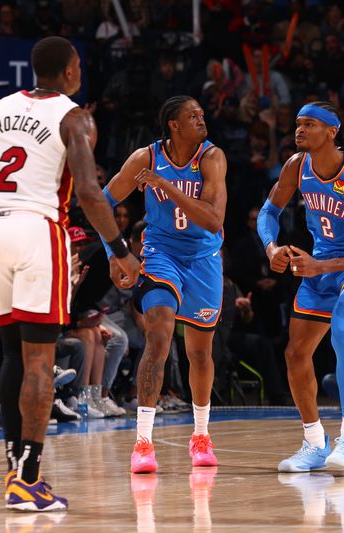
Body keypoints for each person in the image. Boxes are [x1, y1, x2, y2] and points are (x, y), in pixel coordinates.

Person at [0, 36, 140, 512]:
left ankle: (17, 473)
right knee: (40, 359)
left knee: (12, 354)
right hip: (36, 230)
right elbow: (88, 190)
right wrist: (119, 248)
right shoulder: (74, 116)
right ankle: (27, 479)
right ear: (69, 71)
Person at [257, 101, 344, 471]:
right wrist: (272, 248)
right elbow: (268, 212)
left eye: (310, 124)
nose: (299, 130)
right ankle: (315, 443)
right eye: (298, 124)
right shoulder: (296, 167)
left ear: (332, 131)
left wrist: (320, 265)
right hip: (321, 262)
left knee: (342, 332)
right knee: (296, 354)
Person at [101, 95, 227, 474]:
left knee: (200, 352)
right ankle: (143, 442)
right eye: (193, 116)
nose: (201, 120)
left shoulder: (212, 158)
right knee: (158, 331)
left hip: (203, 259)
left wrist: (166, 186)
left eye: (202, 114)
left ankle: (200, 436)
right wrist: (115, 252)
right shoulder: (146, 157)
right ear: (173, 124)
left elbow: (213, 220)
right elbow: (102, 202)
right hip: (161, 253)